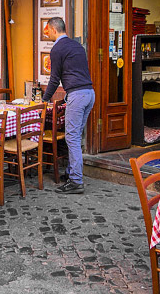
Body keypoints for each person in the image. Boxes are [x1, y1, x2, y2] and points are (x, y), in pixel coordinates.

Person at [42, 17, 95, 195]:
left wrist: (44, 99)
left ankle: (76, 181)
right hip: (89, 93)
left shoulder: (57, 49)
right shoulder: (77, 46)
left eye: (47, 30)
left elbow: (54, 78)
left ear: (53, 29)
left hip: (78, 95)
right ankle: (73, 172)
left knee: (71, 137)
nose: (47, 33)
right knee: (76, 135)